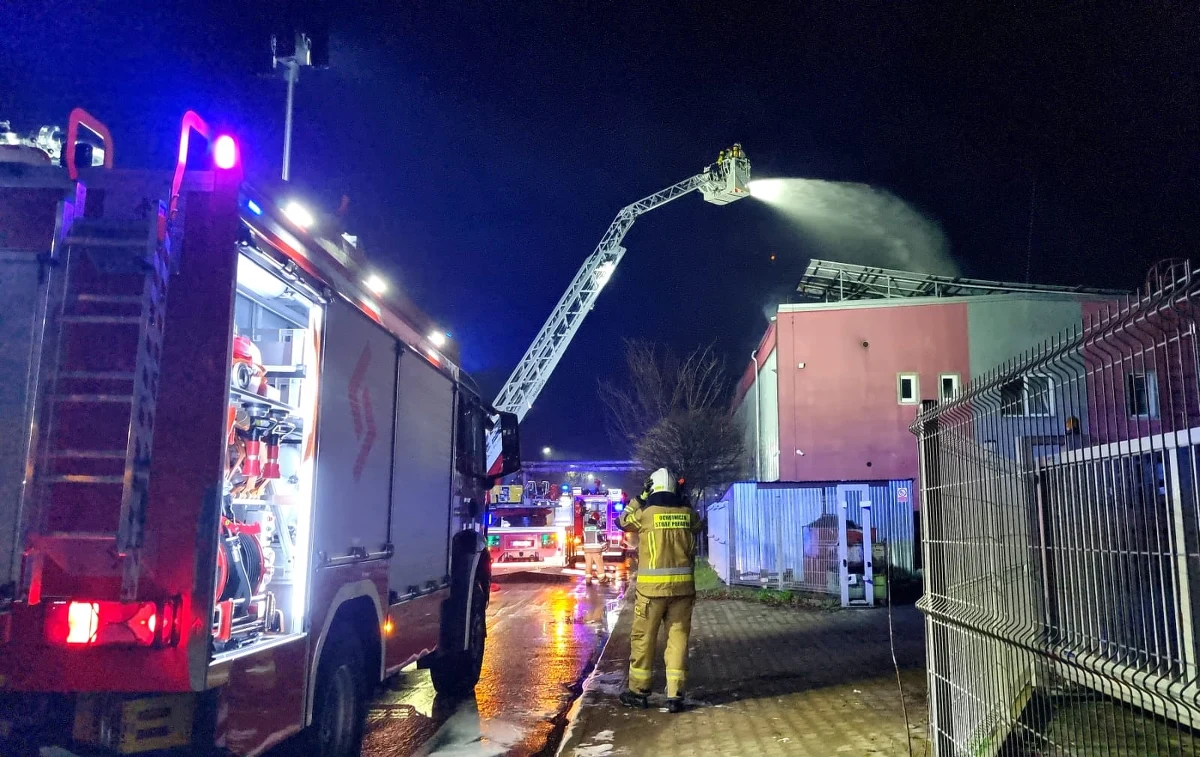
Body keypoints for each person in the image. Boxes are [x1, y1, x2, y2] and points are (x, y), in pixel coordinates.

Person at [617, 468, 701, 713]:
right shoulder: (687, 514)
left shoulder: (645, 514)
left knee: (644, 640)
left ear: (652, 488)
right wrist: (683, 499)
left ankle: (639, 691)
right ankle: (675, 695)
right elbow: (698, 525)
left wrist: (640, 499)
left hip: (651, 593)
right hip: (682, 591)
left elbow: (621, 522)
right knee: (678, 641)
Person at [582, 508, 608, 583]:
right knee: (599, 564)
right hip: (595, 550)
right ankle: (602, 578)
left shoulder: (585, 527)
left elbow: (584, 538)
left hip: (587, 550)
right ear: (596, 519)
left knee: (588, 565)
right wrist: (604, 545)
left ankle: (588, 580)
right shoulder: (596, 527)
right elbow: (599, 538)